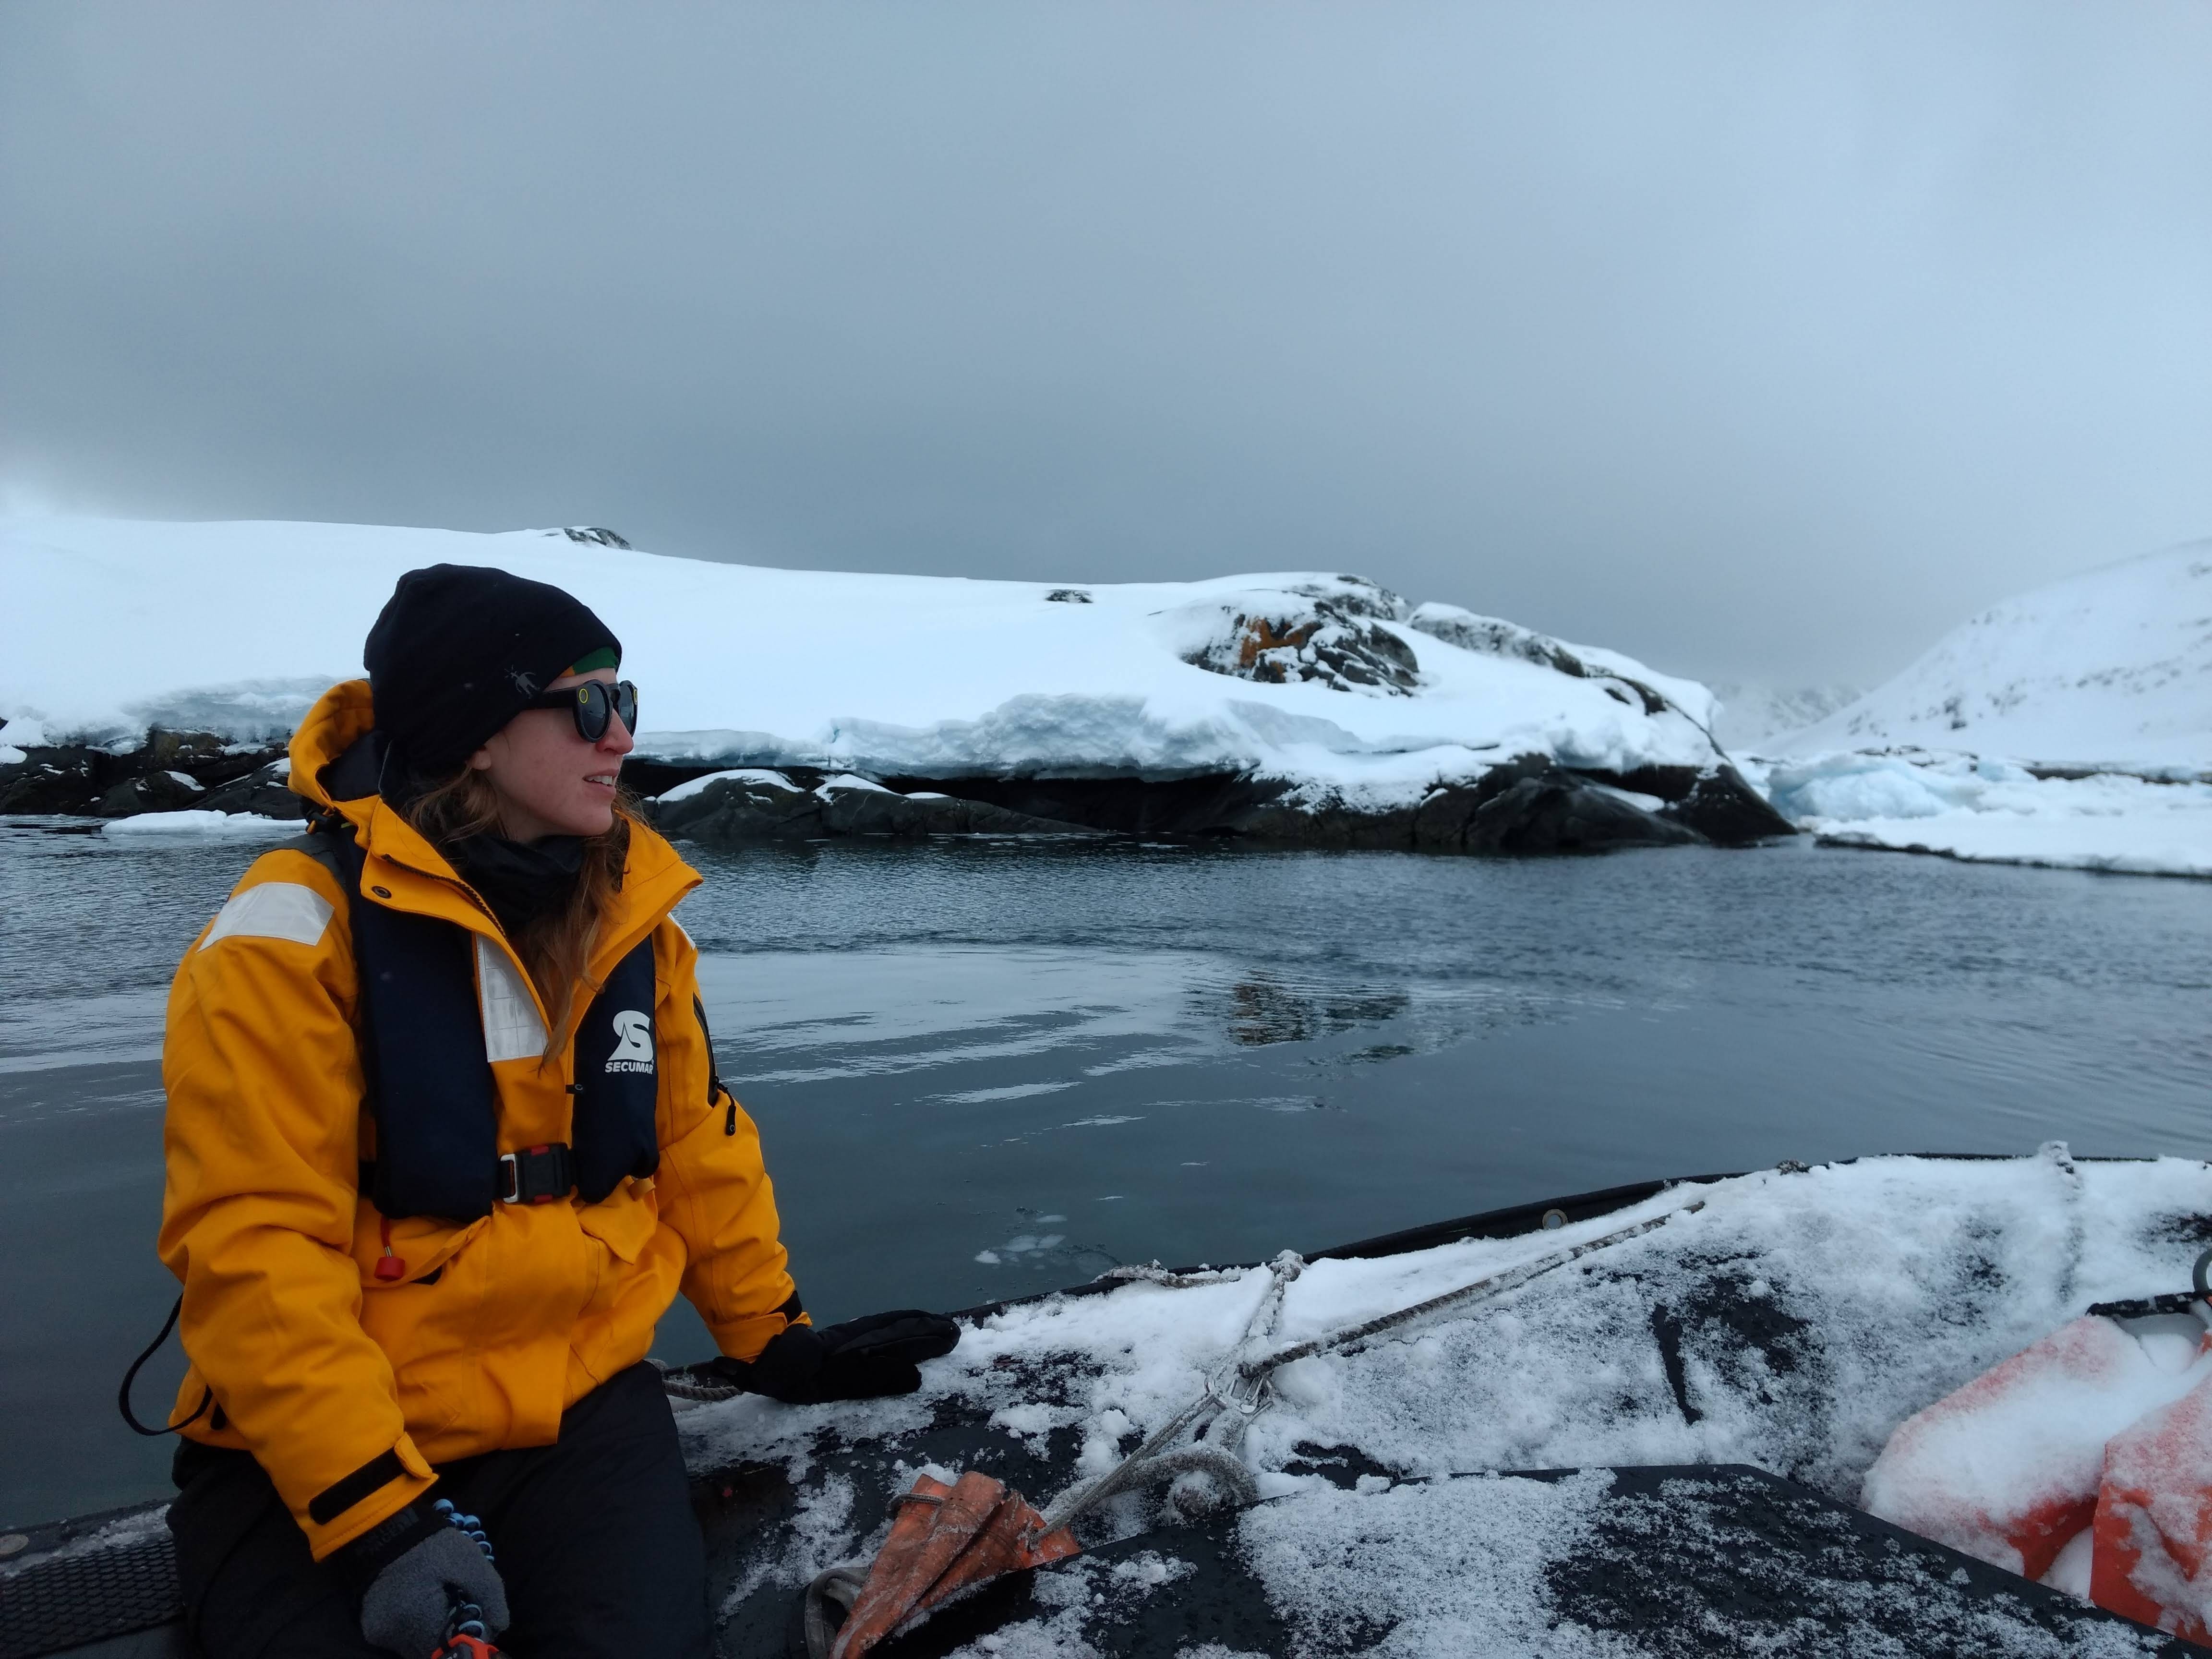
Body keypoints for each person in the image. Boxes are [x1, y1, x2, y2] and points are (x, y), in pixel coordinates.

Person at [152, 565, 956, 1658]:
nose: (621, 737)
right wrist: (375, 1514)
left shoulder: (637, 920)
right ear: (476, 731)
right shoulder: (289, 935)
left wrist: (776, 1342)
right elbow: (254, 1246)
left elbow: (693, 1143)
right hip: (315, 1442)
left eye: (627, 703)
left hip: (578, 1413)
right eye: (589, 705)